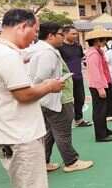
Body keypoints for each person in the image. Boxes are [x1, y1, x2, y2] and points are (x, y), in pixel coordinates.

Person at [0, 9, 70, 188]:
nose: (35, 38)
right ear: (22, 27)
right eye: (35, 31)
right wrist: (49, 86)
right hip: (21, 135)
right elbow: (24, 95)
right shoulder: (7, 56)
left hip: (7, 132)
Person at [28, 22, 94, 173]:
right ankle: (71, 161)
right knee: (62, 131)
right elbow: (41, 77)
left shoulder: (38, 49)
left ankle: (43, 161)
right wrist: (55, 83)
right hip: (57, 99)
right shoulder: (47, 53)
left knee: (49, 132)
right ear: (50, 36)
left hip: (46, 99)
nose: (63, 37)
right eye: (60, 34)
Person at [85, 26, 112, 143]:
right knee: (99, 110)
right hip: (98, 85)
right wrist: (100, 88)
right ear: (96, 40)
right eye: (103, 39)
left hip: (104, 83)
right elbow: (95, 72)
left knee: (104, 109)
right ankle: (100, 135)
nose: (105, 42)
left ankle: (104, 130)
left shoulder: (99, 51)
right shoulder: (93, 54)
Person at [59, 25, 91, 127]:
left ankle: (79, 119)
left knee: (80, 99)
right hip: (66, 78)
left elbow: (81, 58)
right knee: (65, 101)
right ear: (65, 34)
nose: (75, 36)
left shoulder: (78, 46)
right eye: (73, 34)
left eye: (76, 34)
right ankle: (64, 122)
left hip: (78, 77)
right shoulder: (60, 47)